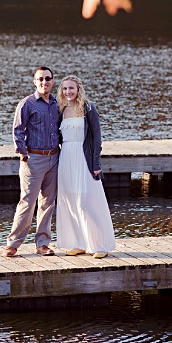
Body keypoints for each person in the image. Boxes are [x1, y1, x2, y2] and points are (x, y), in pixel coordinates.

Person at [54, 75, 117, 258]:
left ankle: (99, 246)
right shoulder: (61, 109)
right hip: (66, 158)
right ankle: (78, 243)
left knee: (85, 203)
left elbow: (97, 138)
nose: (68, 92)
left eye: (71, 88)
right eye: (65, 89)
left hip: (84, 159)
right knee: (70, 202)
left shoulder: (88, 108)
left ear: (78, 89)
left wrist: (96, 163)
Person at [5, 66, 62, 257]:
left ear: (53, 81)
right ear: (35, 82)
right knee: (27, 202)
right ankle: (13, 244)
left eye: (48, 79)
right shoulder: (27, 104)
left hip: (54, 158)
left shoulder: (56, 104)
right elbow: (17, 130)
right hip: (33, 159)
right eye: (40, 79)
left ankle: (42, 244)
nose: (44, 82)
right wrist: (23, 154)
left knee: (47, 203)